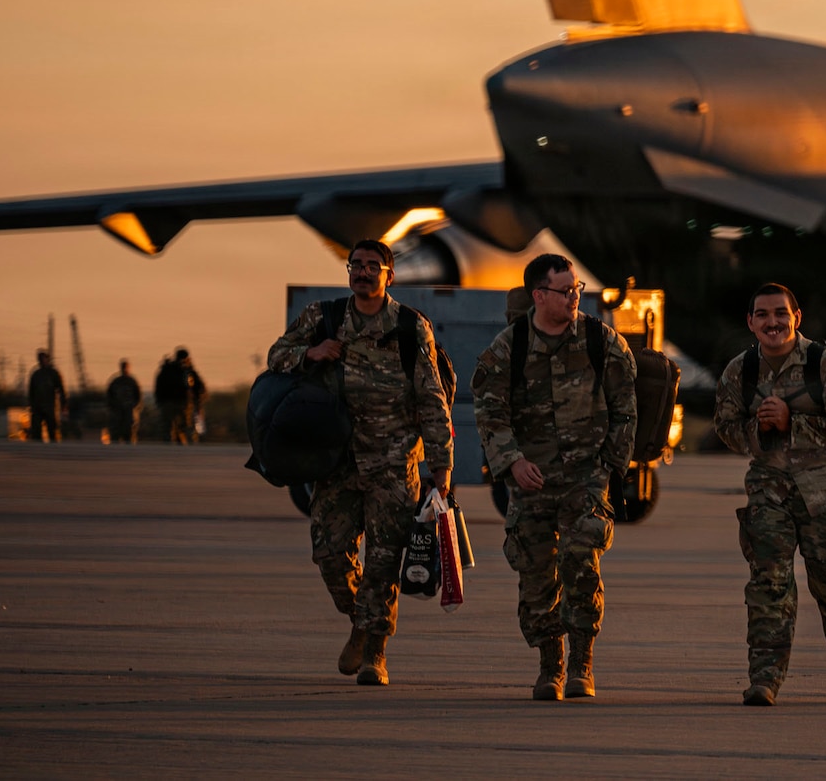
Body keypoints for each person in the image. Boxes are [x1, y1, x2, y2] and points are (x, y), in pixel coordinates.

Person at [266, 238, 454, 687]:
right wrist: (310, 353)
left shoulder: (409, 326)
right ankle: (361, 621)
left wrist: (441, 466)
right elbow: (276, 356)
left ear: (389, 275)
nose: (363, 272)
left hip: (393, 464)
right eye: (356, 265)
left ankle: (374, 654)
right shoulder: (323, 317)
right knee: (329, 554)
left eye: (373, 266)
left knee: (383, 563)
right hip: (336, 460)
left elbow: (432, 397)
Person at [471, 253, 636, 701]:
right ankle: (550, 665)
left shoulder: (602, 341)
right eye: (565, 291)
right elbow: (490, 413)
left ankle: (582, 662)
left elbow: (625, 409)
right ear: (539, 295)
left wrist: (609, 468)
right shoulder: (509, 347)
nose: (574, 297)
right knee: (535, 575)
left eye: (577, 289)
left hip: (586, 477)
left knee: (581, 562)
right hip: (532, 478)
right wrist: (512, 462)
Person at [714, 283, 826, 706]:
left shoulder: (825, 365)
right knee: (769, 585)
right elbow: (726, 429)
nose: (773, 322)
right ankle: (764, 679)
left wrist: (791, 423)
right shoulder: (740, 372)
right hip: (770, 492)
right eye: (763, 315)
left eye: (780, 313)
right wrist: (759, 429)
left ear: (796, 318)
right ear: (751, 322)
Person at [26, 350, 66, 443]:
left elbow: (60, 389)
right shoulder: (36, 375)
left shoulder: (53, 374)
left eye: (44, 358)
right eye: (40, 359)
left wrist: (63, 404)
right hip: (37, 407)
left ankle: (53, 447)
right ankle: (38, 448)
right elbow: (31, 391)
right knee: (36, 432)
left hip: (49, 407)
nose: (42, 361)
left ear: (47, 359)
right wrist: (31, 405)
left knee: (51, 430)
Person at [105, 360, 142, 444]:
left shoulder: (132, 382)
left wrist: (134, 407)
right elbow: (109, 396)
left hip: (129, 412)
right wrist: (113, 407)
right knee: (115, 434)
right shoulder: (116, 382)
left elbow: (138, 397)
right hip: (117, 413)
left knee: (129, 433)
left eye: (126, 367)